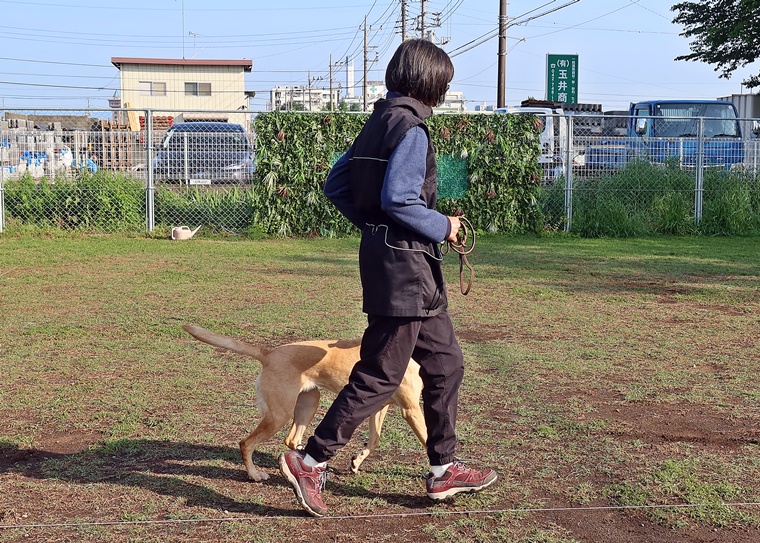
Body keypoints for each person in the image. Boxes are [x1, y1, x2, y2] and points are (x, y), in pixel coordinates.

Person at [279, 38, 496, 518]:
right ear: (430, 82)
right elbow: (400, 199)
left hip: (397, 265)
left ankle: (443, 470)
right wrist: (444, 225)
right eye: (444, 82)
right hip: (406, 271)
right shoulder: (412, 129)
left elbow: (336, 186)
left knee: (445, 365)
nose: (444, 89)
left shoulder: (377, 122)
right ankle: (310, 461)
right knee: (381, 374)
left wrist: (375, 228)